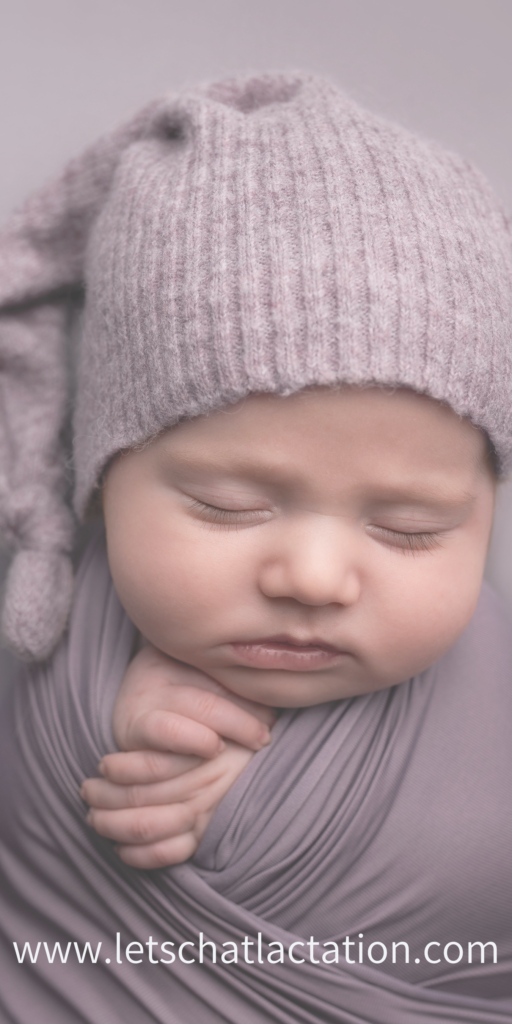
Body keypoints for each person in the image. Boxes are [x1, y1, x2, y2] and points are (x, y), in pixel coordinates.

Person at [0, 71, 511, 1024]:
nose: (312, 579)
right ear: (99, 478)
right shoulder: (52, 629)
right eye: (227, 506)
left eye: (411, 529)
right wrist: (103, 697)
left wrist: (278, 799)